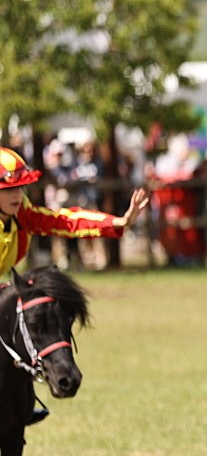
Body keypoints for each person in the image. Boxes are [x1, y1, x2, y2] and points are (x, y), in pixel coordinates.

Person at [0, 146, 149, 423]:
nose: (16, 195)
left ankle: (18, 403)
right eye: (8, 189)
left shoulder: (22, 214)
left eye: (20, 187)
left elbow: (65, 221)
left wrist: (118, 222)